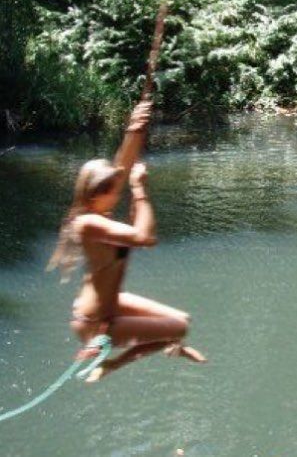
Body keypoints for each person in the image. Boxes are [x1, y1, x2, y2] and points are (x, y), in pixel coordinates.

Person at [47, 101, 206, 382]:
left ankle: (170, 345)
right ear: (96, 194)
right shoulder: (89, 223)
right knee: (178, 328)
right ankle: (111, 365)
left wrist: (134, 127)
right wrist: (139, 189)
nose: (117, 194)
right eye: (112, 190)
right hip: (93, 323)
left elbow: (122, 165)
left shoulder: (98, 210)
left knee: (183, 319)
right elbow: (146, 238)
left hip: (111, 303)